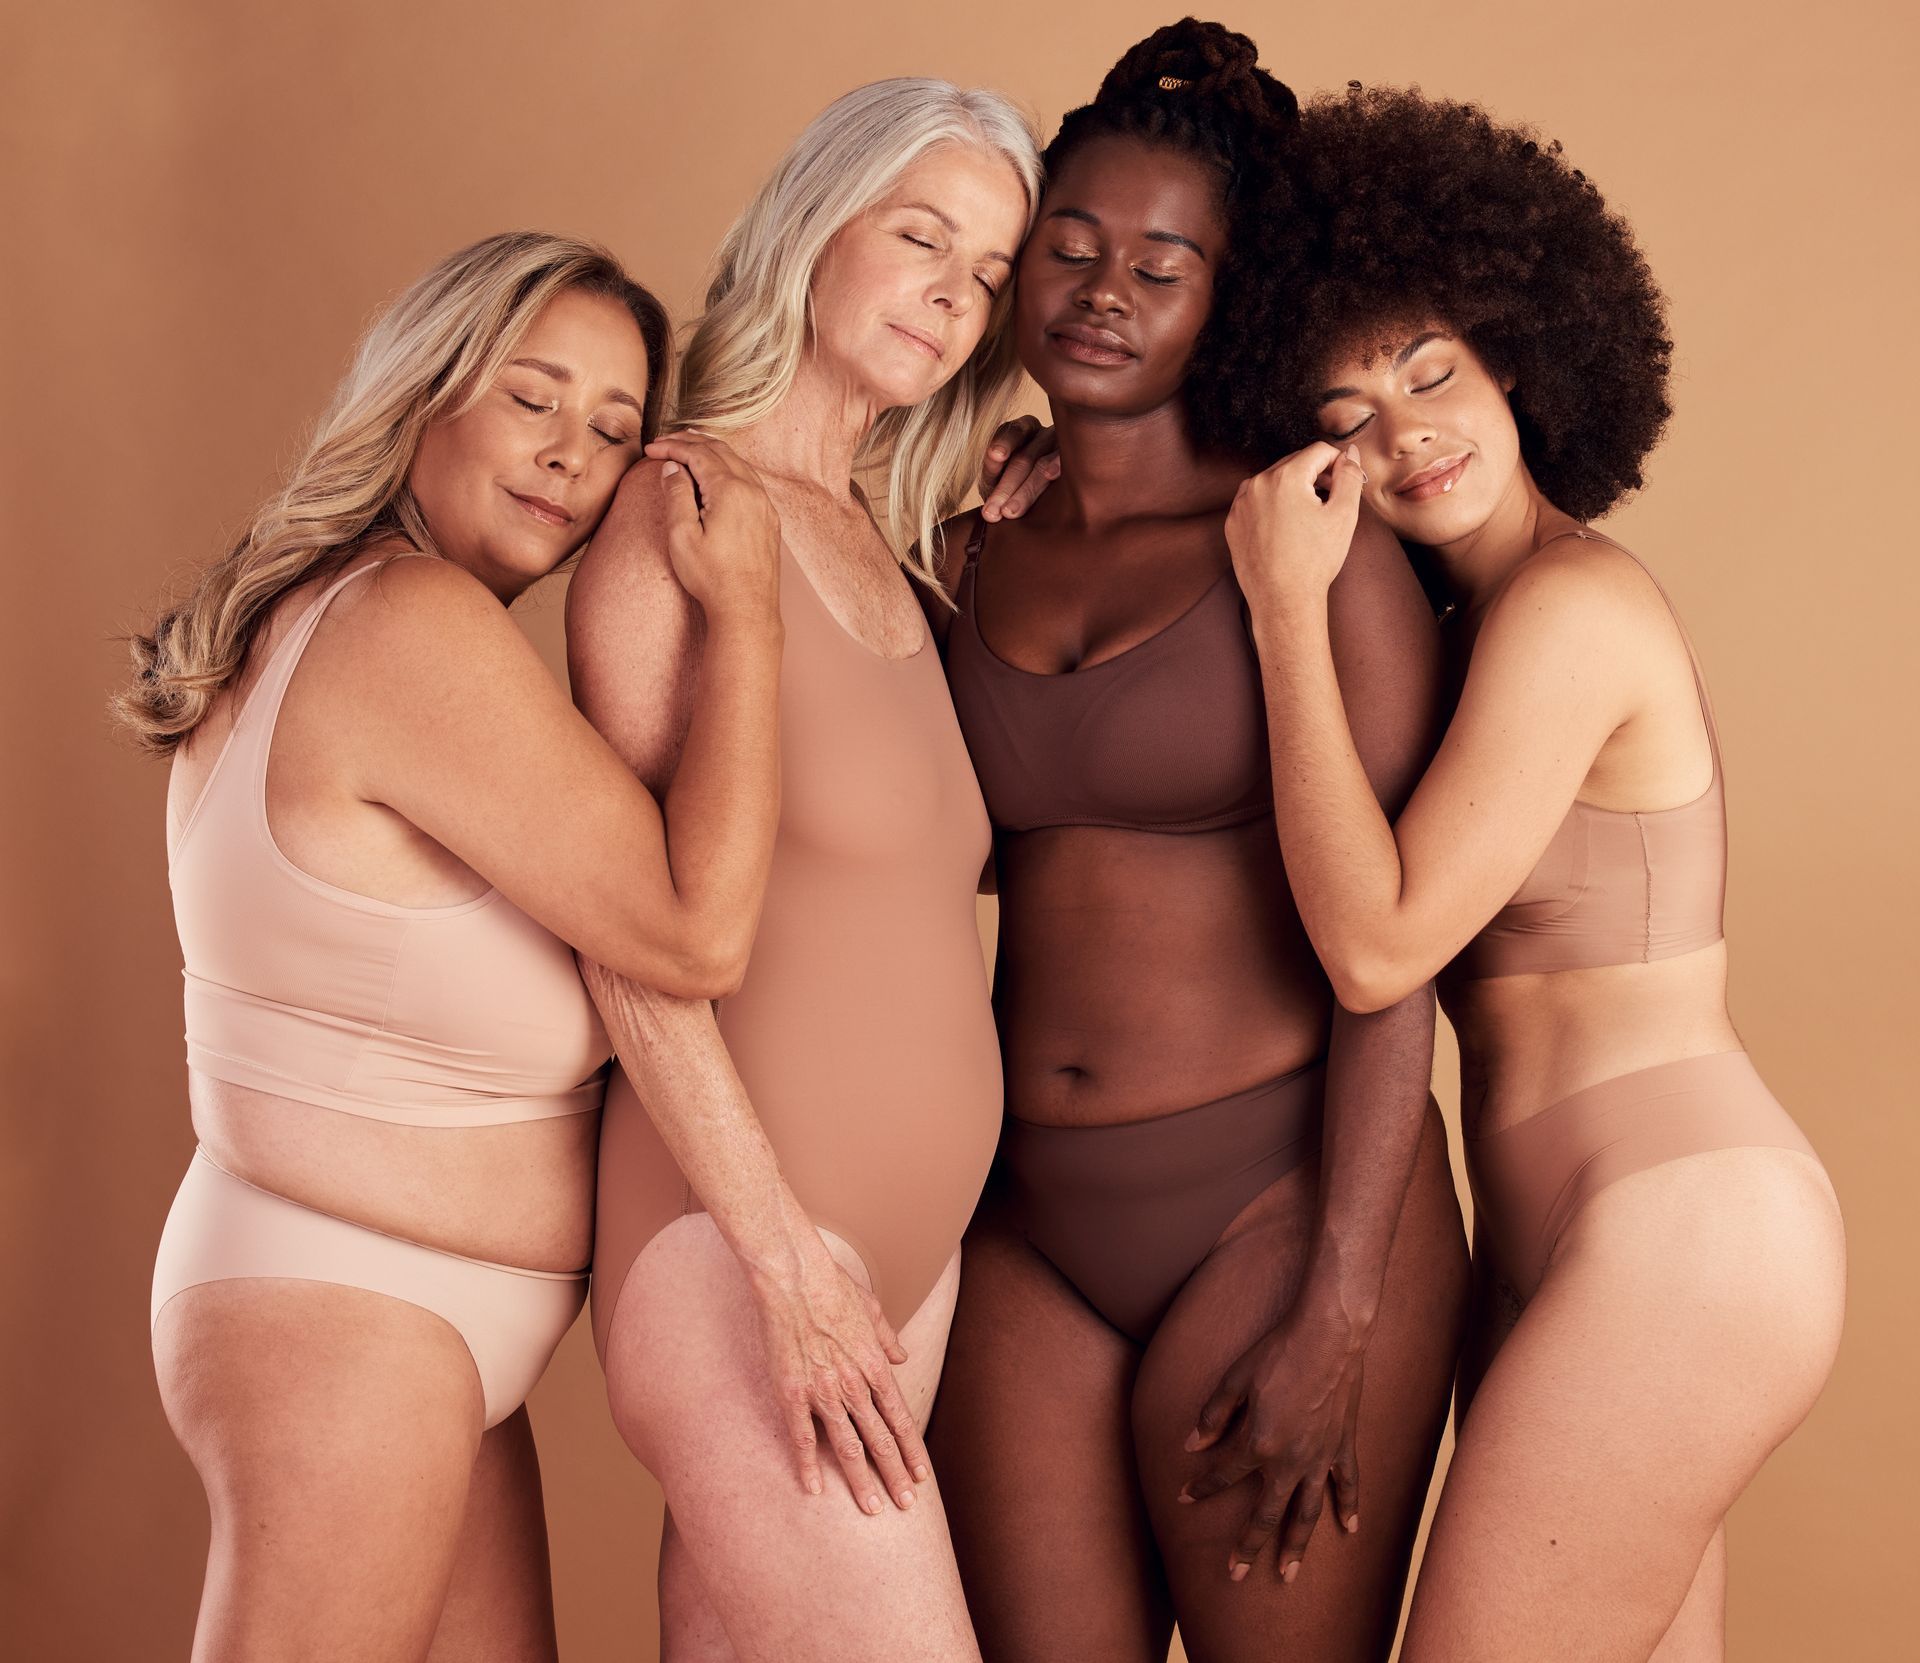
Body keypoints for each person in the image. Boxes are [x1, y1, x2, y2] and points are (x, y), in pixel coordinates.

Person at [1223, 85, 1845, 1661]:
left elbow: (1378, 953)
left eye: (1431, 371)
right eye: (1347, 413)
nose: (1407, 431)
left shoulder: (1572, 608)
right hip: (1569, 1236)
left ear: (1521, 352)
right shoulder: (1461, 630)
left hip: (1684, 1227)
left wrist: (1287, 610)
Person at [120, 231, 784, 1663]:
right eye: (533, 397)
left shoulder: (356, 620)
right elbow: (692, 929)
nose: (570, 456)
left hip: (402, 1320)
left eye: (614, 430)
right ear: (428, 393)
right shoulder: (406, 623)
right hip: (348, 1307)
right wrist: (749, 617)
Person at [922, 26, 1469, 1663]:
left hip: (1281, 1204)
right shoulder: (963, 545)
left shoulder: (1311, 548)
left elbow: (1394, 956)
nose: (1104, 292)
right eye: (1072, 251)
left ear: (1228, 301)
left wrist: (1343, 1311)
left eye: (1164, 266)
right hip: (1022, 1218)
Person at [569, 79, 1040, 1662]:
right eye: (921, 237)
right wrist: (783, 1263)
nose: (950, 294)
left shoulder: (902, 555)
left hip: (909, 1263)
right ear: (811, 230)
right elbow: (618, 925)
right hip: (739, 1240)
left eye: (985, 275)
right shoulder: (681, 508)